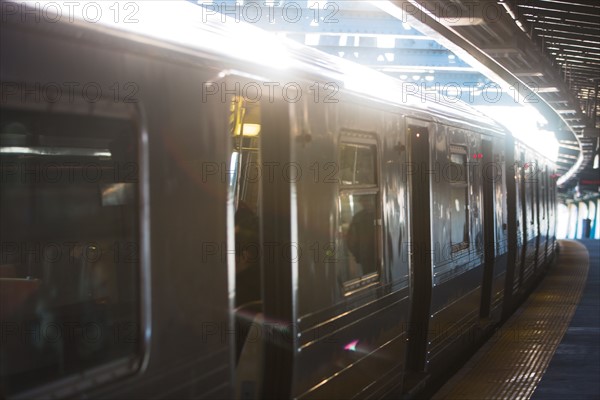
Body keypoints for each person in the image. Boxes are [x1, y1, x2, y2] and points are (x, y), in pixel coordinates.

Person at [346, 196, 377, 275]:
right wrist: (357, 254)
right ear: (361, 202)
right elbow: (351, 239)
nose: (367, 203)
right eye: (364, 201)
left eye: (368, 200)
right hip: (366, 256)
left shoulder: (380, 214)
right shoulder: (358, 217)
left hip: (377, 255)